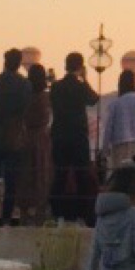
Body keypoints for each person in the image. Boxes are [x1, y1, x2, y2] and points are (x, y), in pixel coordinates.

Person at [0, 48, 31, 225]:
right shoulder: (24, 84)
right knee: (11, 182)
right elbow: (26, 107)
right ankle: (7, 218)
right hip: (14, 137)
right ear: (18, 63)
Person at [50, 52, 99, 221]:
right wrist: (85, 79)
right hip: (78, 137)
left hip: (59, 137)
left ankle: (57, 214)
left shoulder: (56, 87)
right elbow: (94, 99)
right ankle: (84, 214)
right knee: (81, 176)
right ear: (80, 66)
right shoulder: (80, 87)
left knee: (60, 176)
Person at [19, 62, 53, 223]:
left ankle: (24, 213)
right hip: (42, 140)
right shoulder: (46, 97)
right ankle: (40, 213)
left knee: (25, 176)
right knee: (42, 176)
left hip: (25, 138)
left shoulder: (25, 97)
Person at [101, 69, 135, 168]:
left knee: (121, 174)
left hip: (120, 144)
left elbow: (109, 128)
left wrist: (105, 150)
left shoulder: (115, 104)